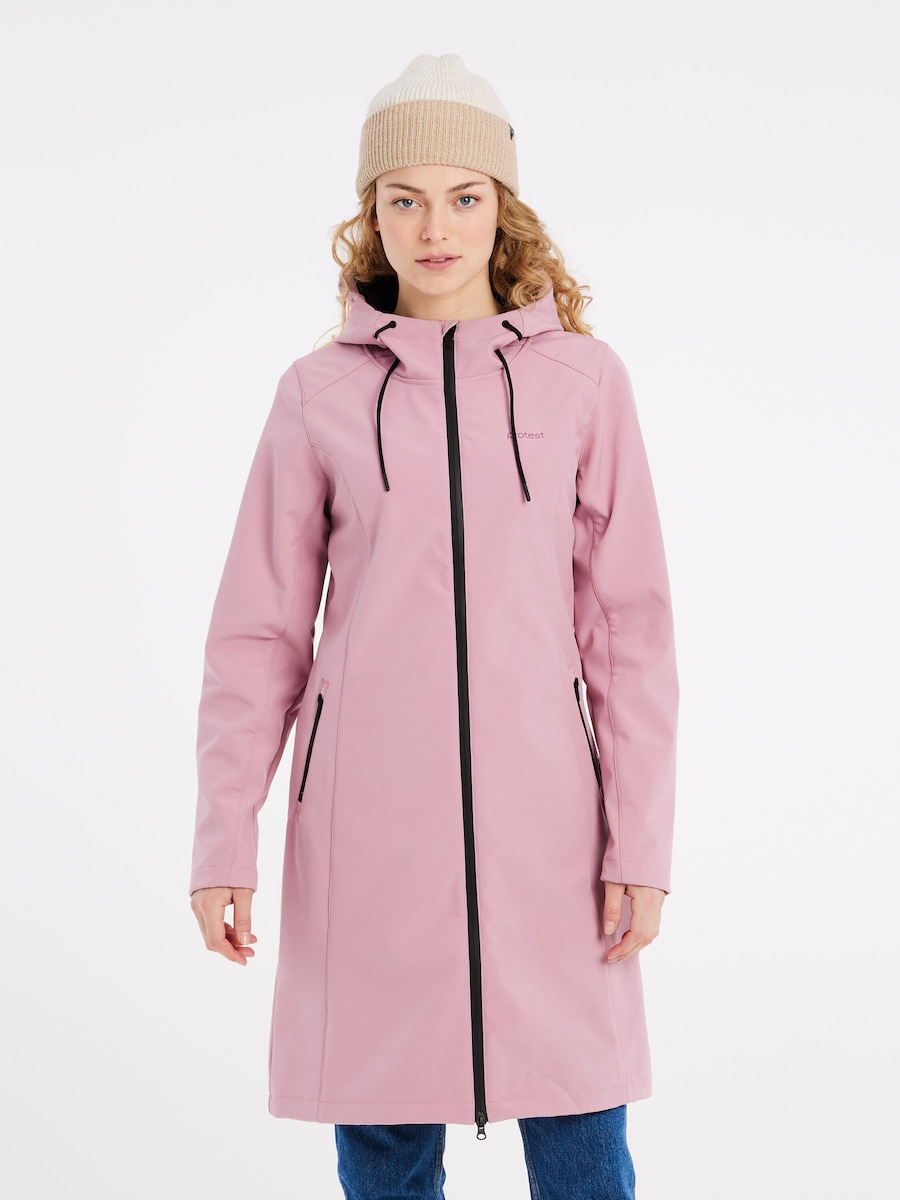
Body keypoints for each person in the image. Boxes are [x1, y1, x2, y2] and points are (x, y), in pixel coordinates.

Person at [189, 53, 678, 1200]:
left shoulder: (582, 383)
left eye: (463, 196)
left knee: (581, 1135)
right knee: (386, 1142)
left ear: (503, 208)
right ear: (372, 215)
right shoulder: (318, 393)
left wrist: (641, 847)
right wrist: (223, 842)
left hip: (550, 834)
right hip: (368, 833)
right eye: (403, 199)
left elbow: (632, 631)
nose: (435, 227)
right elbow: (258, 636)